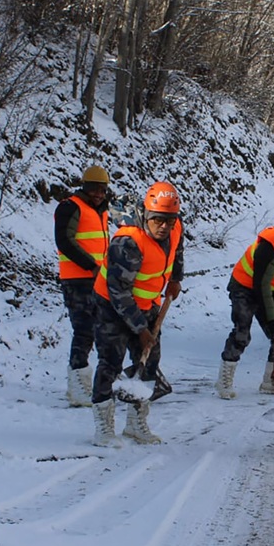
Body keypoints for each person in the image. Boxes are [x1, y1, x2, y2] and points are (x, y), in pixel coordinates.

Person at [91, 182, 184, 447]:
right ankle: (104, 428)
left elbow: (177, 250)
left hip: (148, 302)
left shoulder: (176, 227)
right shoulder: (127, 243)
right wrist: (141, 330)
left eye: (169, 220)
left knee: (150, 361)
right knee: (110, 361)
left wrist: (176, 278)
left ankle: (136, 423)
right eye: (157, 220)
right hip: (112, 305)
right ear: (146, 215)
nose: (164, 226)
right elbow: (119, 292)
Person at [215, 211, 274, 399]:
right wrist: (270, 320)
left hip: (271, 290)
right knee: (242, 332)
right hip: (244, 286)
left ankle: (271, 381)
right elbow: (261, 285)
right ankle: (224, 381)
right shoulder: (268, 247)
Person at [53, 165, 111, 407]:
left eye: (102, 189)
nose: (98, 193)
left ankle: (87, 382)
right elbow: (64, 240)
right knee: (84, 330)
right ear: (84, 186)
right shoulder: (71, 207)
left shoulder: (101, 211)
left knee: (99, 330)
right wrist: (91, 265)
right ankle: (77, 384)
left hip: (98, 280)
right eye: (93, 189)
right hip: (77, 280)